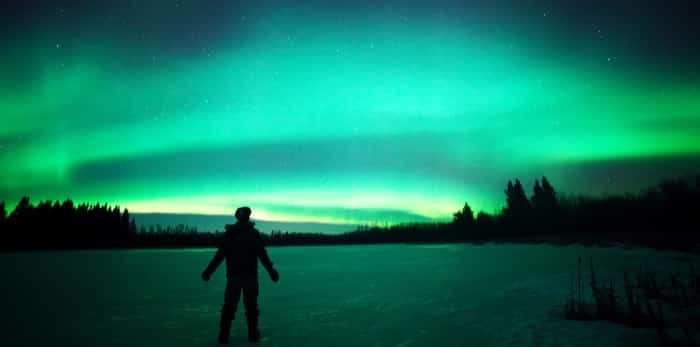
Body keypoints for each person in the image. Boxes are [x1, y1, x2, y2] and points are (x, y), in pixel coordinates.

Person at [201, 206, 280, 344]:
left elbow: (261, 254)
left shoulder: (249, 234)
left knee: (244, 307)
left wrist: (271, 270)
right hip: (238, 277)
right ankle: (231, 334)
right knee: (238, 307)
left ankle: (244, 334)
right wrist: (209, 271)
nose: (243, 217)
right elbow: (220, 255)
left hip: (244, 277)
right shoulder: (234, 234)